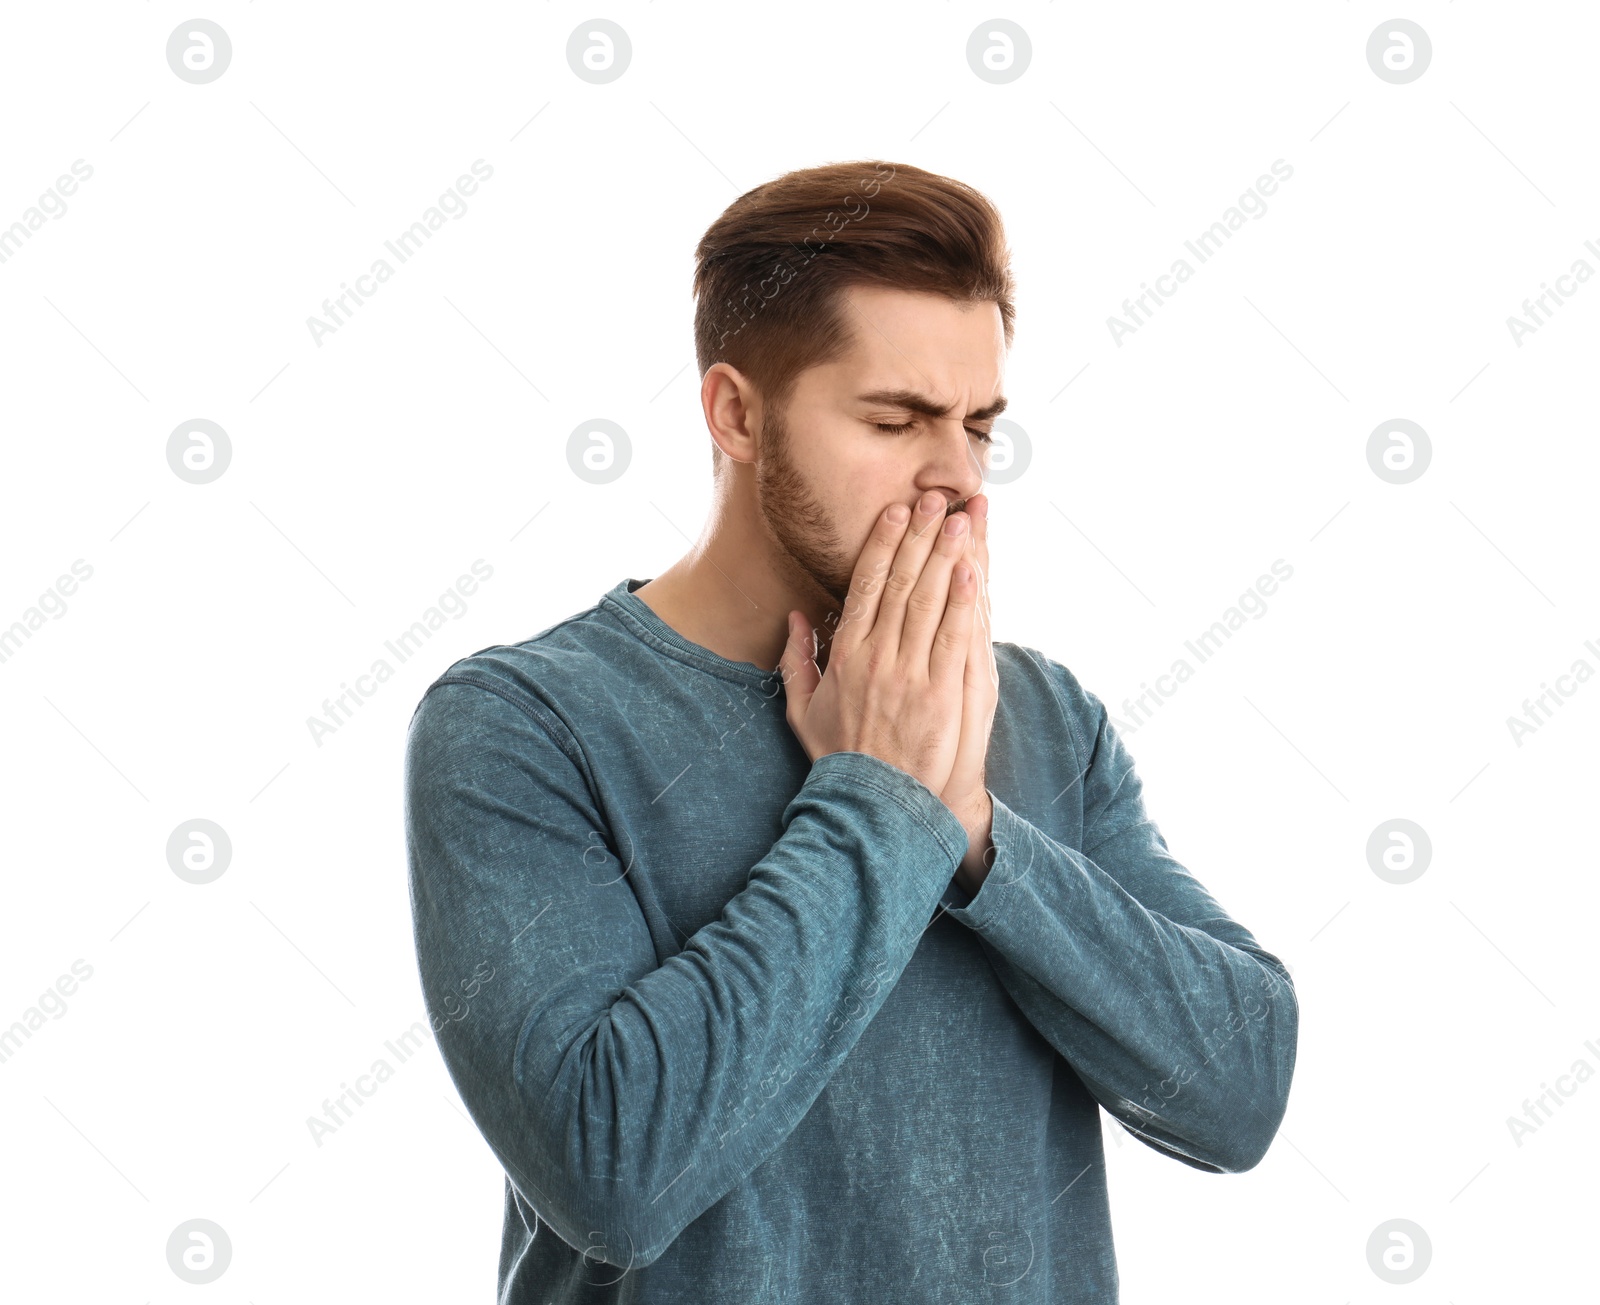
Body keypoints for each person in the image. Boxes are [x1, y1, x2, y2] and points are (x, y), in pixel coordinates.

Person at [403, 159, 1299, 1303]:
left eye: (979, 426)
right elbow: (611, 1175)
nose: (959, 480)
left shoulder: (1038, 715)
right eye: (898, 419)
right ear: (735, 413)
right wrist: (879, 796)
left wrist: (971, 826)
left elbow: (1241, 1093)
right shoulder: (524, 725)